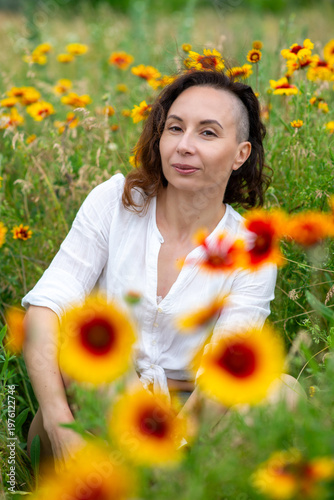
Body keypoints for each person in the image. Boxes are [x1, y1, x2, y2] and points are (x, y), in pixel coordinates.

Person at [22, 68, 279, 466]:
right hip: (94, 413)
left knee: (283, 393)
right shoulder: (114, 204)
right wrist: (57, 426)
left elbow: (225, 373)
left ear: (240, 154)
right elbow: (45, 309)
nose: (184, 146)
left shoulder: (251, 249)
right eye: (175, 128)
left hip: (192, 422)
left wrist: (172, 453)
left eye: (207, 133)